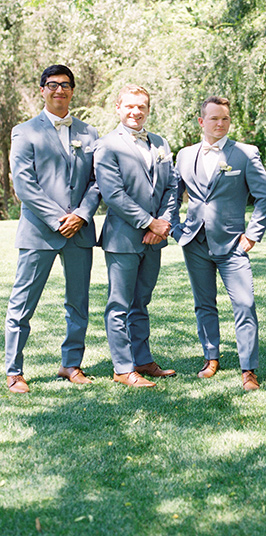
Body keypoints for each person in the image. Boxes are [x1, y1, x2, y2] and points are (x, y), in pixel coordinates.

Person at [5, 65, 100, 393]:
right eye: (52, 85)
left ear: (73, 90)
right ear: (42, 89)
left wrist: (82, 215)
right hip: (40, 231)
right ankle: (14, 370)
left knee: (78, 302)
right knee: (23, 302)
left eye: (65, 85)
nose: (59, 90)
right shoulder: (25, 131)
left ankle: (71, 364)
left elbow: (96, 181)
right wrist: (59, 218)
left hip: (80, 232)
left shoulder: (90, 134)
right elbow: (24, 183)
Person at [172, 96, 266, 391]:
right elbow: (173, 194)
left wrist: (253, 235)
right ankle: (211, 357)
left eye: (225, 119)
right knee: (203, 304)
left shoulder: (244, 154)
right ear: (201, 121)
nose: (220, 124)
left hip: (233, 245)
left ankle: (248, 369)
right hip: (195, 242)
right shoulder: (184, 155)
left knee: (244, 304)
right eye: (214, 119)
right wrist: (178, 231)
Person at [94, 85, 177, 388]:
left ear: (148, 110)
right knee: (119, 304)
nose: (136, 112)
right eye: (129, 106)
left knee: (141, 302)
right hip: (123, 238)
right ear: (118, 107)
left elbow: (171, 186)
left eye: (141, 106)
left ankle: (142, 359)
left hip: (154, 239)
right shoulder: (106, 145)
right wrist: (149, 223)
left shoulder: (160, 143)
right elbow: (112, 194)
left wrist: (164, 221)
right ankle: (122, 367)